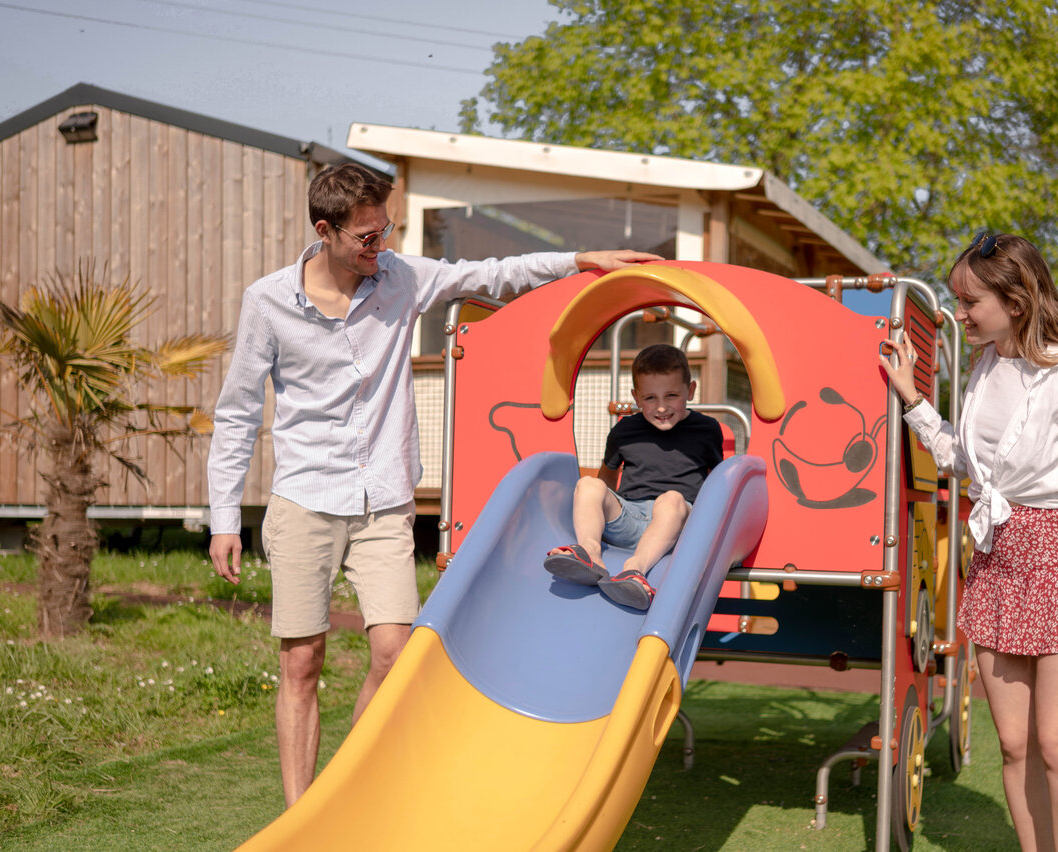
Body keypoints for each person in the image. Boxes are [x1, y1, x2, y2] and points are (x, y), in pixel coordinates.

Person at [207, 162, 661, 807]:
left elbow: (492, 272)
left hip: (385, 500)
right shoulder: (269, 301)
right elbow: (237, 410)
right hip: (305, 497)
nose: (381, 247)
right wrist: (224, 515)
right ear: (325, 231)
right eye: (367, 237)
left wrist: (579, 260)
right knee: (301, 663)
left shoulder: (401, 278)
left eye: (386, 231)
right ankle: (299, 815)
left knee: (396, 655)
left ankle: (341, 792)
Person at [879, 231, 1058, 852]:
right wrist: (913, 400)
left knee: (1057, 746)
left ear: (1017, 300)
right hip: (999, 558)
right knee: (1017, 744)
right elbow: (968, 464)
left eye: (970, 301)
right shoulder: (986, 364)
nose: (959, 313)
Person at [543, 343, 724, 610]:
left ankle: (634, 569)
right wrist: (598, 511)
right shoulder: (625, 430)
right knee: (588, 484)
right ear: (636, 397)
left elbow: (716, 483)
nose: (661, 407)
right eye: (650, 398)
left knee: (671, 499)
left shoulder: (707, 429)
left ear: (691, 390)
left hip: (675, 525)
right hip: (629, 517)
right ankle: (590, 554)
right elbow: (607, 479)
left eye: (671, 395)